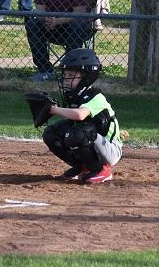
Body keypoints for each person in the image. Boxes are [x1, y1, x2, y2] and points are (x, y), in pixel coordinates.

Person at [42, 48, 123, 184]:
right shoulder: (75, 97)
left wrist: (54, 110)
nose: (66, 79)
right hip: (95, 143)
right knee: (52, 133)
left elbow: (80, 115)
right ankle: (82, 166)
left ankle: (101, 170)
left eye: (71, 75)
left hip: (110, 149)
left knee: (78, 133)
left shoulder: (96, 97)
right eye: (65, 74)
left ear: (87, 76)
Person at [25, 0, 91, 82]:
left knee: (78, 24)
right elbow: (40, 11)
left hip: (72, 28)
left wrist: (58, 21)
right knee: (32, 23)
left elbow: (79, 13)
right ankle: (44, 70)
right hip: (50, 26)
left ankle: (69, 70)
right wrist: (48, 20)